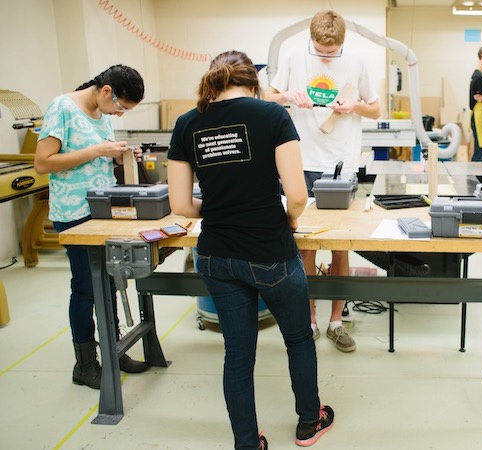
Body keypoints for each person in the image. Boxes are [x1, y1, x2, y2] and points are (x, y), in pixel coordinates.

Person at [167, 50, 334, 450]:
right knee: (297, 339)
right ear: (253, 82)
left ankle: (247, 442)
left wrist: (222, 207)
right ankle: (309, 423)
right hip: (269, 252)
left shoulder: (187, 123)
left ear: (214, 81)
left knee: (237, 356)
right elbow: (296, 194)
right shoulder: (272, 116)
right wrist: (290, 221)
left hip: (216, 255)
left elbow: (181, 206)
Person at [266, 10, 381, 352]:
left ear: (342, 42)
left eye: (331, 53)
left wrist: (355, 105)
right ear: (311, 40)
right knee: (302, 245)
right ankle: (309, 320)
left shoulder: (358, 61)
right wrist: (289, 97)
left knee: (340, 244)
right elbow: (268, 98)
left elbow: (375, 108)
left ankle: (336, 321)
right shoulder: (293, 56)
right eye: (319, 50)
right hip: (301, 160)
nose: (325, 56)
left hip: (341, 163)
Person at [34, 65, 150, 390]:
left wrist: (118, 156)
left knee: (109, 282)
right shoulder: (63, 107)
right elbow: (43, 162)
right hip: (74, 213)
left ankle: (114, 352)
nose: (121, 114)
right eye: (121, 107)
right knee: (86, 288)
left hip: (103, 210)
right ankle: (85, 364)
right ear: (106, 91)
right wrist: (99, 149)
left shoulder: (103, 114)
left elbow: (94, 159)